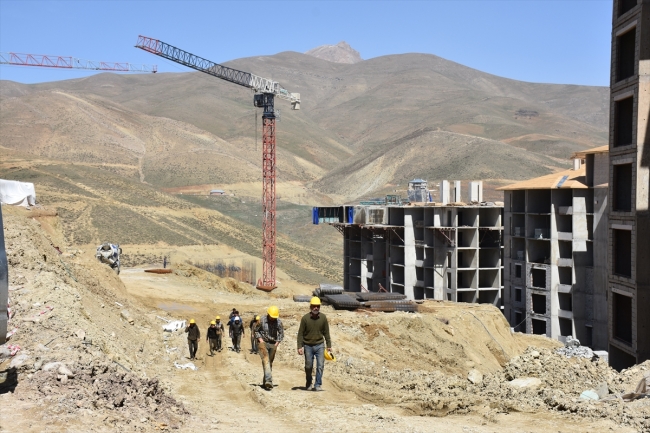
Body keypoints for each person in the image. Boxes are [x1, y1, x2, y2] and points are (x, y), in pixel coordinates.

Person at [297, 297, 332, 391]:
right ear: (310, 307)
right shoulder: (305, 319)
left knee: (320, 365)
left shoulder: (323, 318)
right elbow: (300, 333)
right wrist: (299, 346)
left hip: (320, 345)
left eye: (318, 306)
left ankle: (318, 384)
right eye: (314, 306)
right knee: (308, 366)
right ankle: (309, 382)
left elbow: (326, 332)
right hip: (308, 345)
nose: (316, 308)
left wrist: (329, 345)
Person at [255, 306, 284, 390]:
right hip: (262, 342)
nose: (273, 319)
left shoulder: (278, 322)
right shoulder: (261, 320)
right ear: (268, 314)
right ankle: (269, 380)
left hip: (273, 343)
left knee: (269, 362)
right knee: (265, 359)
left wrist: (277, 343)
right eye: (272, 317)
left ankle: (266, 382)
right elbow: (256, 330)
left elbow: (281, 333)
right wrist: (260, 340)